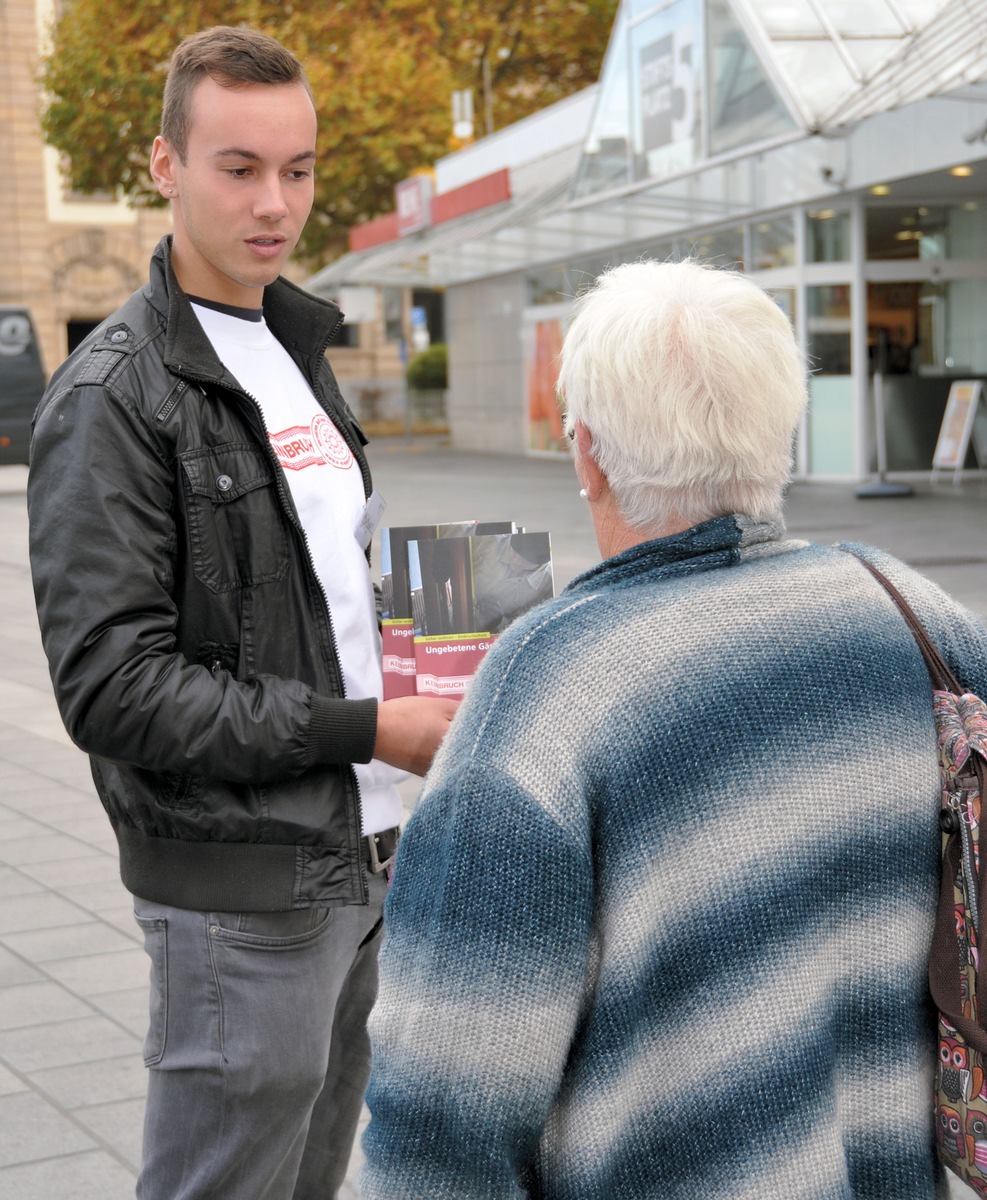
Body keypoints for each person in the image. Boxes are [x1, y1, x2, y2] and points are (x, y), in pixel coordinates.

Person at [361, 259, 987, 1199]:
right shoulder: (915, 611)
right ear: (780, 429)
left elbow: (442, 1112)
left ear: (586, 452)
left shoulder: (544, 689)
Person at [27, 25, 456, 1200]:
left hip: (364, 865)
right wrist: (370, 727)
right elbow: (112, 688)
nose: (277, 203)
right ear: (165, 166)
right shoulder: (115, 393)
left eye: (299, 169)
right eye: (239, 168)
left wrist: (441, 647)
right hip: (243, 895)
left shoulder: (293, 347)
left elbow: (310, 583)